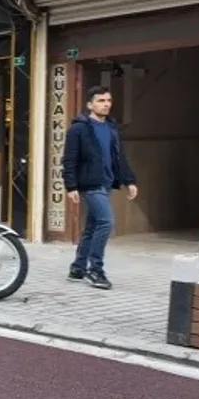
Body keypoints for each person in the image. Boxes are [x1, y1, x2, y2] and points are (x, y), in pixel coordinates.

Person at [62, 85, 138, 290]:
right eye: (101, 101)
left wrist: (129, 180)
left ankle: (78, 268)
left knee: (93, 226)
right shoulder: (78, 129)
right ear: (90, 105)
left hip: (106, 183)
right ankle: (95, 269)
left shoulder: (112, 128)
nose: (106, 104)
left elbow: (119, 157)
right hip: (90, 184)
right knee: (106, 222)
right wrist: (71, 186)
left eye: (108, 101)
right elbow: (69, 159)